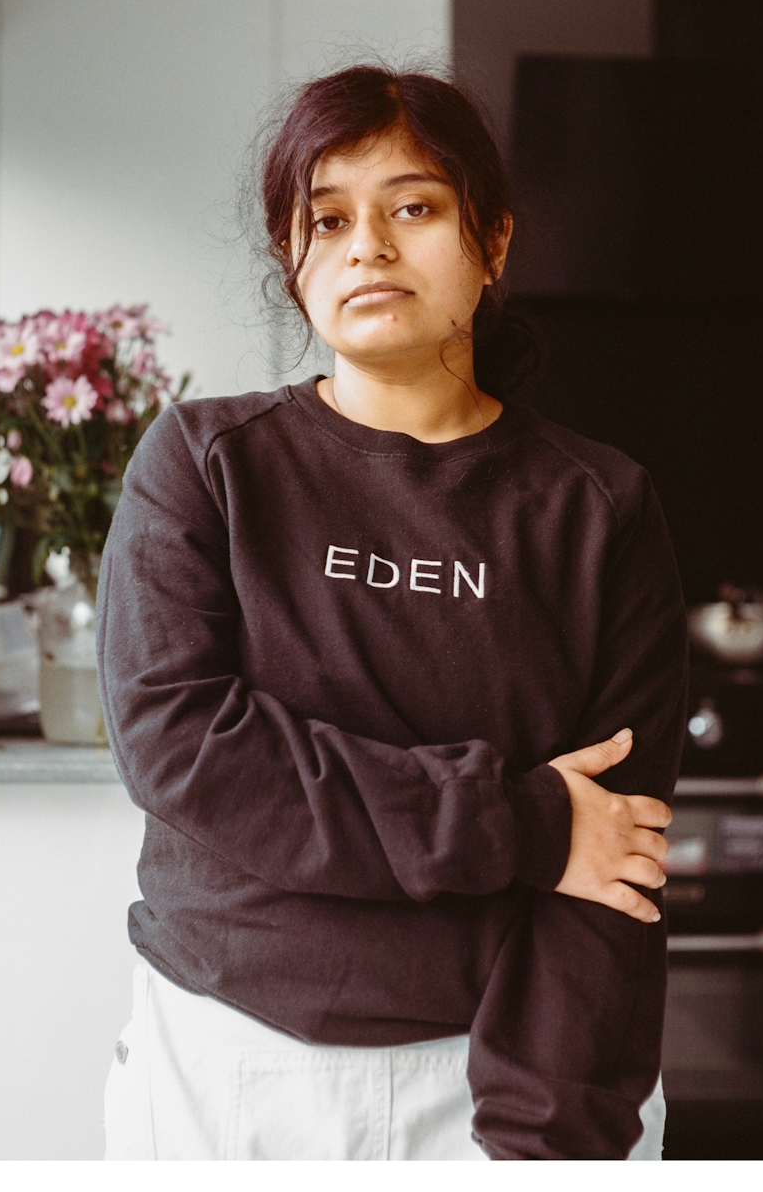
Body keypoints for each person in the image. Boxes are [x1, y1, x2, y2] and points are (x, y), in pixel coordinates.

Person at [97, 64, 688, 1160]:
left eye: (412, 207)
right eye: (327, 217)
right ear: (295, 259)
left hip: (496, 1083)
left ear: (493, 243)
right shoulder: (205, 465)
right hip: (227, 1069)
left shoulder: (599, 507)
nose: (367, 243)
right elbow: (187, 751)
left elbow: (614, 860)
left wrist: (545, 1142)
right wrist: (525, 823)